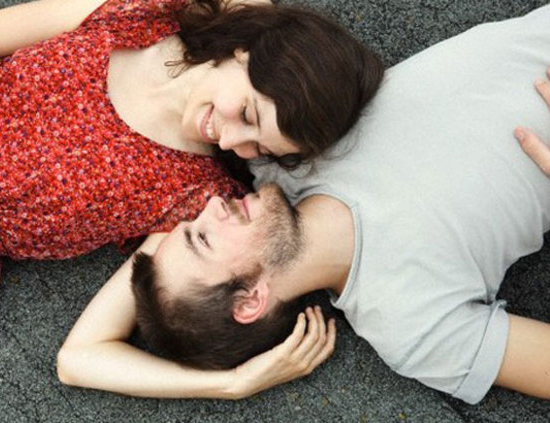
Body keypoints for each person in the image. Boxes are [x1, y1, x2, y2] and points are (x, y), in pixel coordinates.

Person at [57, 4, 550, 404]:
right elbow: (81, 359)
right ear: (250, 301)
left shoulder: (283, 154)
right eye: (202, 238)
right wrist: (230, 384)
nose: (212, 207)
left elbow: (76, 356)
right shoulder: (414, 329)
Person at [0, 0, 384, 361]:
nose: (231, 139)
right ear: (245, 53)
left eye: (258, 147)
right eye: (247, 114)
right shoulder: (140, 14)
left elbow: (85, 353)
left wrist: (234, 385)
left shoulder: (196, 194)